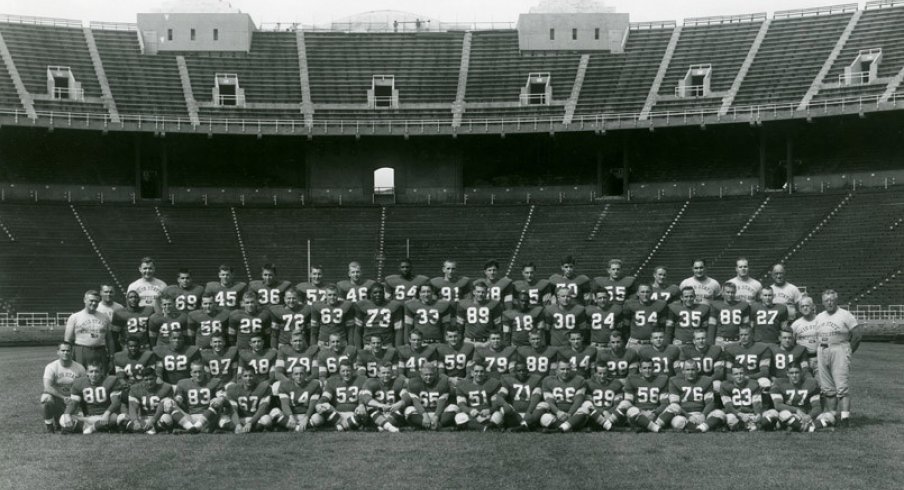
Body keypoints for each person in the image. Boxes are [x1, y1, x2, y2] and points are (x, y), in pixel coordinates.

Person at [815, 289, 861, 428]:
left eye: (832, 300)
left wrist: (848, 351)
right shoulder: (819, 316)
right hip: (822, 349)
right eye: (826, 300)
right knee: (827, 387)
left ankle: (845, 418)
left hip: (839, 348)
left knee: (841, 387)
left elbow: (857, 335)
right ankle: (832, 416)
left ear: (836, 301)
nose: (829, 303)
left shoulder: (845, 315)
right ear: (823, 302)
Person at [61, 360, 126, 434]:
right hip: (87, 417)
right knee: (63, 418)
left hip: (105, 416)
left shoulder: (111, 380)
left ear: (101, 372)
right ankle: (101, 427)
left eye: (96, 371)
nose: (94, 374)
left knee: (117, 417)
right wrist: (67, 414)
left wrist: (107, 414)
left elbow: (116, 403)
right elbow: (74, 403)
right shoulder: (79, 382)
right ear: (87, 372)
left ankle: (90, 428)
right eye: (91, 371)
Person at [658, 360, 724, 433]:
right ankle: (703, 427)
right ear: (683, 371)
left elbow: (710, 403)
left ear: (697, 370)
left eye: (693, 369)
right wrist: (688, 416)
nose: (690, 372)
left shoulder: (706, 380)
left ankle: (698, 429)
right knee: (678, 420)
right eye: (688, 370)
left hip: (701, 412)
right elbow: (675, 404)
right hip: (683, 414)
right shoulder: (675, 381)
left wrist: (703, 415)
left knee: (720, 413)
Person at [765, 364, 833, 432]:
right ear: (787, 374)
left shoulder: (810, 383)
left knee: (830, 416)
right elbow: (778, 405)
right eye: (791, 373)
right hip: (790, 415)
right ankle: (811, 428)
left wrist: (809, 416)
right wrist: (796, 410)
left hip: (806, 415)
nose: (794, 375)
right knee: (784, 414)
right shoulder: (779, 383)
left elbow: (817, 407)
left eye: (796, 372)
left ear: (801, 373)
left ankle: (798, 427)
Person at [64, 289, 114, 374]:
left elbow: (109, 339)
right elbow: (67, 340)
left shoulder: (104, 317)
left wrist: (112, 356)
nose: (94, 303)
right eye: (91, 300)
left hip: (100, 351)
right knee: (80, 377)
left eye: (96, 301)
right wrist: (67, 357)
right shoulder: (74, 317)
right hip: (81, 350)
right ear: (84, 300)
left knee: (101, 376)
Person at [41, 342, 86, 432]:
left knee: (78, 427)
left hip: (73, 400)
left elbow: (84, 387)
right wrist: (63, 398)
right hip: (57, 398)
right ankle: (49, 426)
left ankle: (59, 422)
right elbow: (47, 387)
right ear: (58, 352)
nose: (65, 353)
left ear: (72, 352)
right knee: (46, 399)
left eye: (68, 350)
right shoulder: (51, 367)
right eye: (63, 350)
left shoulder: (79, 368)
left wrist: (75, 400)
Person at [171, 360, 226, 433]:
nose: (198, 375)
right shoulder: (183, 383)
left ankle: (192, 429)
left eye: (200, 372)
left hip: (208, 416)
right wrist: (176, 405)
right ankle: (192, 428)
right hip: (190, 417)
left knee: (217, 403)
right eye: (195, 372)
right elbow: (178, 400)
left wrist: (219, 399)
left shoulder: (214, 381)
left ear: (204, 372)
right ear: (191, 373)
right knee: (170, 404)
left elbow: (222, 397)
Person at [616, 359, 669, 432]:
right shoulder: (632, 379)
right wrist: (642, 412)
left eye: (649, 368)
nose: (647, 370)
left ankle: (644, 426)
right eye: (644, 368)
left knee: (671, 408)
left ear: (654, 368)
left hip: (654, 413)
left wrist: (655, 413)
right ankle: (655, 428)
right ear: (640, 369)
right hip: (638, 412)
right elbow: (628, 401)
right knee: (626, 406)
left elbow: (664, 403)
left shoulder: (661, 379)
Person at [535, 360, 589, 432]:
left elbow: (578, 400)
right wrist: (558, 412)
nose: (565, 372)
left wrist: (570, 414)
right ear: (556, 371)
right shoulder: (548, 380)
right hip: (556, 415)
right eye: (562, 369)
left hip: (573, 414)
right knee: (545, 418)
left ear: (571, 370)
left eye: (568, 369)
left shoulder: (579, 380)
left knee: (584, 410)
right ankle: (570, 427)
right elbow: (549, 400)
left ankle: (558, 429)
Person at [401, 362, 457, 430]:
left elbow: (442, 402)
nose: (428, 377)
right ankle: (437, 427)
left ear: (435, 374)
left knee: (454, 408)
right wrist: (424, 415)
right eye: (426, 375)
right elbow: (416, 402)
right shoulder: (414, 382)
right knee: (408, 410)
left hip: (439, 413)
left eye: (431, 374)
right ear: (421, 375)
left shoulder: (442, 381)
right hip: (421, 414)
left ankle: (426, 426)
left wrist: (436, 416)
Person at [272, 365, 324, 432]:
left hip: (307, 415)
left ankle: (292, 428)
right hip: (292, 415)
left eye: (301, 374)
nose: (299, 377)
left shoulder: (314, 384)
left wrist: (306, 418)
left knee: (318, 418)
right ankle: (304, 428)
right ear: (292, 375)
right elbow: (285, 405)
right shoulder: (284, 385)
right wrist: (290, 416)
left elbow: (312, 405)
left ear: (305, 375)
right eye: (296, 374)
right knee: (274, 412)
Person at [496, 357, 544, 431]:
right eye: (519, 370)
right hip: (514, 413)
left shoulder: (535, 379)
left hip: (530, 413)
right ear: (515, 371)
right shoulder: (507, 379)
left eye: (524, 370)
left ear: (527, 371)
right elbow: (500, 396)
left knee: (543, 406)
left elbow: (536, 397)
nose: (522, 372)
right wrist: (505, 404)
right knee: (503, 408)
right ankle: (525, 426)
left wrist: (529, 412)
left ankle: (522, 426)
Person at [317, 361, 367, 431]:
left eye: (348, 371)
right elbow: (325, 397)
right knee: (324, 406)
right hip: (337, 415)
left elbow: (363, 396)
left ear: (352, 371)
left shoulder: (361, 380)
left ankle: (337, 428)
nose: (346, 374)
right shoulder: (332, 381)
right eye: (343, 371)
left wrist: (361, 404)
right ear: (339, 372)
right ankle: (350, 426)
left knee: (363, 411)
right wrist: (320, 404)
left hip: (354, 413)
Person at [454, 362, 504, 431]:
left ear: (485, 373)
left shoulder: (492, 383)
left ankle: (477, 427)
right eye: (476, 371)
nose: (479, 374)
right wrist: (470, 411)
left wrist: (489, 410)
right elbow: (461, 404)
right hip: (472, 415)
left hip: (487, 415)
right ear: (472, 373)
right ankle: (486, 428)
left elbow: (496, 403)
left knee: (498, 415)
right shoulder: (463, 385)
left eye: (482, 371)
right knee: (459, 417)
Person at [221, 369, 272, 433]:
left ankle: (242, 429)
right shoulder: (233, 389)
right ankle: (249, 428)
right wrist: (237, 424)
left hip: (255, 418)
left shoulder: (263, 387)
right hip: (241, 418)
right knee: (222, 421)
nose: (248, 378)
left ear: (255, 376)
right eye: (245, 376)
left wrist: (250, 423)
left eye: (251, 376)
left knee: (266, 420)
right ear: (241, 377)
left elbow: (263, 408)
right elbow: (233, 409)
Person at [126, 367, 175, 434]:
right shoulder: (135, 388)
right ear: (143, 379)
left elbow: (161, 407)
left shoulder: (165, 387)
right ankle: (150, 430)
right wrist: (136, 422)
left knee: (167, 418)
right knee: (122, 419)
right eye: (146, 380)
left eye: (151, 379)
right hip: (143, 418)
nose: (149, 382)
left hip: (158, 418)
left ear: (156, 378)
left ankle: (147, 430)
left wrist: (153, 420)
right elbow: (133, 407)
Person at [359, 363, 407, 432]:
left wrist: (398, 404)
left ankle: (381, 428)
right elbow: (366, 398)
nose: (386, 375)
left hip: (392, 411)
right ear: (378, 373)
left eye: (388, 372)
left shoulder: (397, 382)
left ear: (392, 373)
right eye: (383, 373)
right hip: (378, 412)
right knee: (369, 407)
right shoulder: (371, 382)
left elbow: (406, 397)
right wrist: (381, 405)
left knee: (402, 407)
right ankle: (391, 428)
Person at [722, 325, 771, 391]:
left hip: (755, 377)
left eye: (746, 335)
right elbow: (728, 374)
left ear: (752, 335)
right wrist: (739, 379)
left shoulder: (762, 348)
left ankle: (763, 401)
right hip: (737, 379)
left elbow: (764, 372)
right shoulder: (731, 349)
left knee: (765, 382)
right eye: (741, 335)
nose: (743, 337)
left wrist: (748, 377)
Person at [355, 284, 404, 349]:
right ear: (370, 294)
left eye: (380, 292)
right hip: (369, 344)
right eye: (375, 292)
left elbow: (398, 330)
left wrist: (398, 348)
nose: (378, 294)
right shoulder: (362, 306)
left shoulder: (393, 306)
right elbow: (358, 330)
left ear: (384, 294)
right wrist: (358, 349)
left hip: (386, 344)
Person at [456, 280, 503, 347]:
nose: (480, 294)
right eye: (478, 292)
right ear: (474, 292)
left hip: (487, 342)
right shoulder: (464, 304)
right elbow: (460, 326)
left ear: (486, 292)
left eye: (483, 292)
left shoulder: (493, 305)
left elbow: (498, 326)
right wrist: (460, 341)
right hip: (469, 341)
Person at [622, 284, 667, 350]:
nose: (645, 295)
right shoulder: (630, 304)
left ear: (652, 293)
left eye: (647, 292)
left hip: (653, 343)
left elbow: (663, 326)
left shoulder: (659, 305)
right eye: (642, 292)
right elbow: (626, 326)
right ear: (637, 293)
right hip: (635, 343)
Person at [719, 366, 764, 431]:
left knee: (764, 417)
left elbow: (756, 403)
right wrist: (740, 415)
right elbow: (728, 406)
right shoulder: (725, 385)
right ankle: (745, 426)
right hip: (734, 414)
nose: (739, 376)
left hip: (749, 413)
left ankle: (748, 425)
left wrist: (758, 414)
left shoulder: (753, 384)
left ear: (745, 374)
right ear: (732, 375)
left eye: (741, 373)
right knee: (732, 420)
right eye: (736, 374)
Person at [582, 364, 624, 431]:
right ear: (595, 373)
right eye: (600, 373)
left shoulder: (616, 383)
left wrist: (609, 412)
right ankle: (608, 425)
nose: (602, 376)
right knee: (586, 406)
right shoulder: (589, 383)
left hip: (610, 415)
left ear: (608, 373)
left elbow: (618, 403)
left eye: (605, 373)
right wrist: (602, 412)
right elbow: (589, 403)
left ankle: (605, 424)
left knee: (624, 405)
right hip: (595, 414)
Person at [707, 282, 750, 346]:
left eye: (732, 292)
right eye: (728, 292)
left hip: (737, 341)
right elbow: (712, 326)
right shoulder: (715, 305)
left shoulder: (743, 306)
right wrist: (710, 343)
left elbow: (745, 326)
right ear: (723, 292)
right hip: (721, 341)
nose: (730, 294)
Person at [790, 296, 820, 374]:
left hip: (819, 358)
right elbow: (791, 343)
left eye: (807, 305)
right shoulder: (795, 325)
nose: (805, 308)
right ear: (799, 309)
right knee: (806, 383)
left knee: (822, 383)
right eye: (802, 306)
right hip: (803, 359)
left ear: (812, 306)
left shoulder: (820, 321)